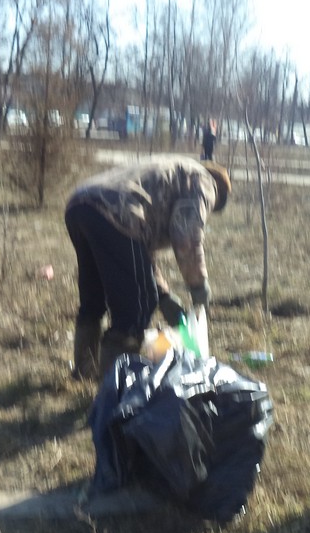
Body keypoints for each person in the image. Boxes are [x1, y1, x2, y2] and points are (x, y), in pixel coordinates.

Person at [65, 156, 231, 379]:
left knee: (93, 298)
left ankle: (84, 373)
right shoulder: (204, 182)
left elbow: (140, 250)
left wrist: (163, 294)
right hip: (118, 212)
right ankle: (112, 390)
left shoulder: (175, 170)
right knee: (137, 307)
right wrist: (199, 287)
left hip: (80, 204)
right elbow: (186, 237)